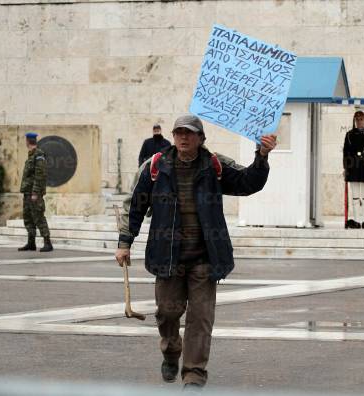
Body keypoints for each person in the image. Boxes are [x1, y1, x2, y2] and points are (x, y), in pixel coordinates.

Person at [115, 115, 276, 390]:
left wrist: (261, 155)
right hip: (168, 258)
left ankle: (194, 376)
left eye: (189, 133)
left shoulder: (215, 164)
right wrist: (124, 241)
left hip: (204, 259)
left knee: (200, 320)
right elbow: (136, 205)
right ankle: (170, 351)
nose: (183, 138)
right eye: (178, 133)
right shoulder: (155, 166)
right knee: (166, 313)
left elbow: (248, 183)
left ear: (201, 138)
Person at [18, 132, 53, 252]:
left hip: (34, 193)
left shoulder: (38, 155)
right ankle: (31, 242)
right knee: (28, 218)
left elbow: (40, 175)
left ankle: (47, 243)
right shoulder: (31, 155)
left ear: (27, 141)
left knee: (38, 217)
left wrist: (35, 192)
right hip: (27, 192)